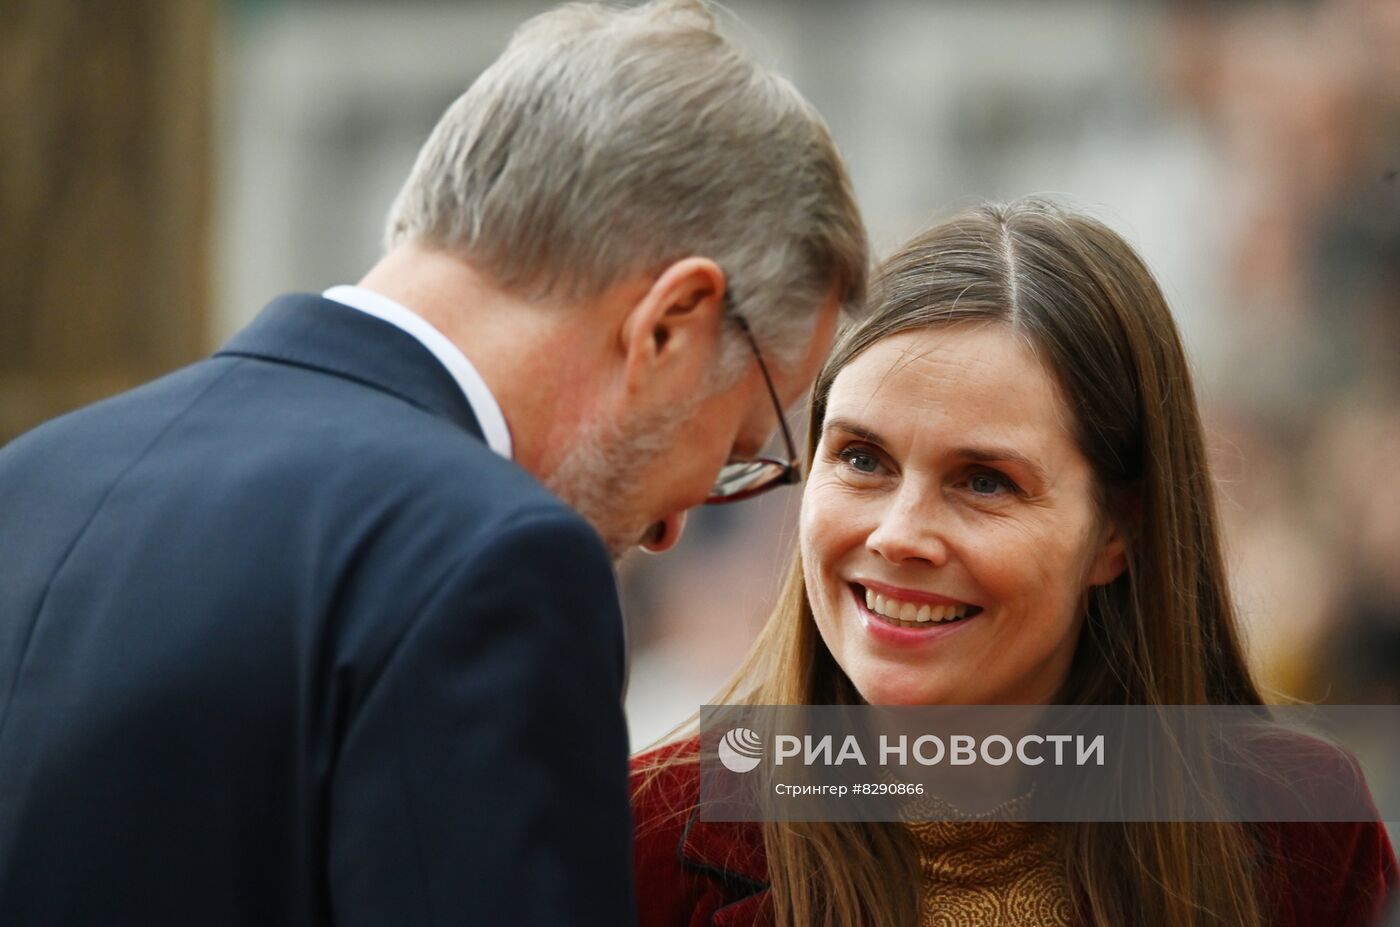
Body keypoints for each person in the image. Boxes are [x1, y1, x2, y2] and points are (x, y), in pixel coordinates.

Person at [0, 2, 866, 924]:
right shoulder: (491, 562)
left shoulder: (33, 479)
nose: (672, 528)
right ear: (670, 323)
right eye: (737, 449)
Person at [631, 200, 1397, 927]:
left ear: (1116, 531)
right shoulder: (636, 839)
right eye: (863, 458)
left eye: (984, 481)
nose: (900, 535)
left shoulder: (1301, 830)